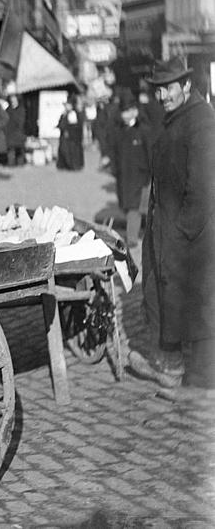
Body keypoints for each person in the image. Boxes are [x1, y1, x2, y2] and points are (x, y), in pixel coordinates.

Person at [128, 57, 215, 392]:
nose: (163, 95)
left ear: (187, 85)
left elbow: (204, 186)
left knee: (196, 298)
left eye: (169, 88)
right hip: (168, 227)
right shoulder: (174, 118)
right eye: (159, 89)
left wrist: (182, 231)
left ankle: (191, 372)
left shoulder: (202, 122)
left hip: (191, 233)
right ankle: (174, 364)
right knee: (164, 294)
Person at [110, 92, 152, 249]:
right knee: (127, 207)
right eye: (123, 111)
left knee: (136, 208)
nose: (126, 115)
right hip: (124, 176)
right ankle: (138, 233)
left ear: (135, 110)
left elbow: (150, 154)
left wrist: (150, 173)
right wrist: (114, 170)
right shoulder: (119, 131)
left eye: (129, 110)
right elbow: (114, 152)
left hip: (141, 177)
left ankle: (132, 239)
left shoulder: (144, 130)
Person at [55, 95, 84, 171]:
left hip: (72, 138)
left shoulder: (74, 114)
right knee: (63, 150)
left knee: (71, 151)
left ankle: (73, 166)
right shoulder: (65, 114)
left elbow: (74, 126)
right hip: (65, 137)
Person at [4, 94, 26, 166]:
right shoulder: (8, 110)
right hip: (10, 133)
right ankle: (11, 164)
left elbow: (21, 122)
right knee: (11, 150)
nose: (13, 102)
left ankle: (20, 164)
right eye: (11, 100)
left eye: (14, 100)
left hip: (19, 133)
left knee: (20, 150)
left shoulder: (21, 109)